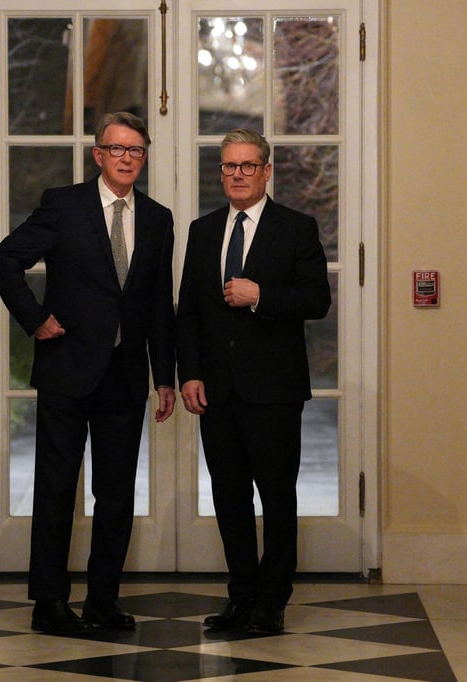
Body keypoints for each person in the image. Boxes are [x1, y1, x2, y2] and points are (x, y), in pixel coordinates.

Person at [0, 112, 176, 635]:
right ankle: (48, 603)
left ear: (144, 157)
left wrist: (165, 376)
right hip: (67, 370)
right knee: (55, 489)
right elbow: (5, 260)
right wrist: (35, 319)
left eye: (135, 151)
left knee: (115, 495)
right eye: (117, 149)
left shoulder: (159, 218)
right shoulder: (63, 205)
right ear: (98, 155)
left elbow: (160, 302)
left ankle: (103, 602)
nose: (126, 159)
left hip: (123, 377)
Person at [176, 128, 331, 633]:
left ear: (266, 171)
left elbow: (316, 300)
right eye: (228, 166)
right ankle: (240, 596)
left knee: (278, 498)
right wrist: (190, 373)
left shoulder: (296, 228)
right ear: (220, 172)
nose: (237, 174)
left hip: (274, 392)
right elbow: (190, 313)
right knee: (229, 498)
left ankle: (272, 601)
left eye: (247, 165)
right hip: (216, 391)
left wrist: (261, 295)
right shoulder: (202, 231)